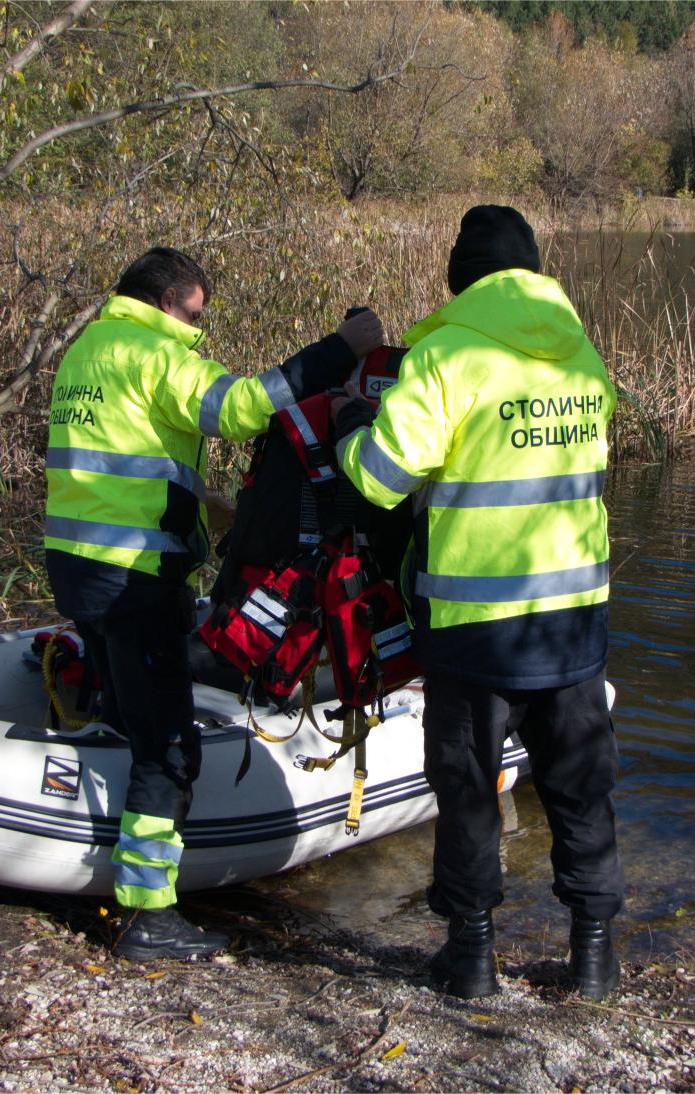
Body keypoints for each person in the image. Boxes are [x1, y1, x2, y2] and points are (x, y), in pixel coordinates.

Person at [44, 246, 382, 960]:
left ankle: (104, 840)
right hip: (135, 577)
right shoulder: (152, 354)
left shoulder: (87, 350)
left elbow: (125, 454)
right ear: (165, 300)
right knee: (168, 750)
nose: (199, 329)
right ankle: (145, 915)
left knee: (124, 707)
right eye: (195, 314)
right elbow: (240, 409)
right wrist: (340, 350)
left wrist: (202, 507)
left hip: (76, 568)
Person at [330, 206, 623, 1000]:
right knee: (580, 784)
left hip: (474, 629)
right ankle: (594, 959)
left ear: (461, 279)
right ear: (534, 273)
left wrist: (352, 420)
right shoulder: (581, 355)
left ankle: (472, 959)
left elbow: (380, 478)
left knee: (467, 791)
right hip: (573, 619)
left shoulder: (447, 356)